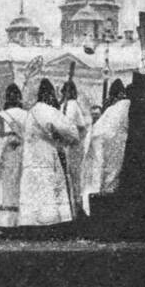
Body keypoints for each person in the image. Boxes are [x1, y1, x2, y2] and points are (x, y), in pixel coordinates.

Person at [18, 79, 82, 236]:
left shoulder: (32, 111)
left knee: (33, 194)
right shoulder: (48, 111)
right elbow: (71, 133)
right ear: (50, 94)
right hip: (46, 158)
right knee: (47, 194)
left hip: (31, 159)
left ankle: (31, 226)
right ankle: (49, 227)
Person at [80, 80, 131, 216]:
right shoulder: (126, 106)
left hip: (103, 147)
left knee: (103, 178)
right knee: (112, 178)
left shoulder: (114, 108)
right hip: (115, 146)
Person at [0, 84, 28, 232]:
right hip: (22, 155)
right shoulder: (27, 115)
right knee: (19, 185)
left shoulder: (1, 116)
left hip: (4, 156)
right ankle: (19, 220)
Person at [60, 80, 92, 214]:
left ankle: (73, 207)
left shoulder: (66, 106)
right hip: (72, 146)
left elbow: (81, 128)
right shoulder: (69, 105)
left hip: (68, 146)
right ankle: (75, 207)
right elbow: (82, 128)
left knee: (70, 176)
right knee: (74, 177)